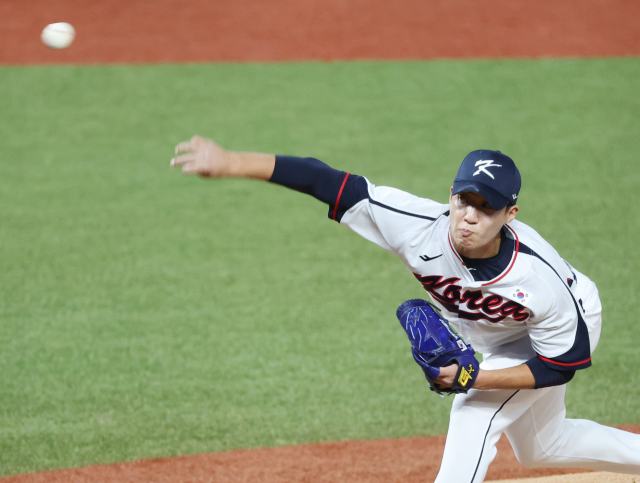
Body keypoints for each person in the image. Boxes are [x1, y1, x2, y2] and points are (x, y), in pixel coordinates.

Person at [170, 136, 640, 482]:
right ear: (451, 195)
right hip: (493, 329)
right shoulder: (418, 226)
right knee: (544, 447)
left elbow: (559, 367)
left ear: (509, 215)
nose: (469, 216)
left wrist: (473, 378)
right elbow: (325, 179)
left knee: (473, 415)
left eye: (486, 207)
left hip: (558, 330)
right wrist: (233, 162)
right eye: (463, 200)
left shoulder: (540, 282)